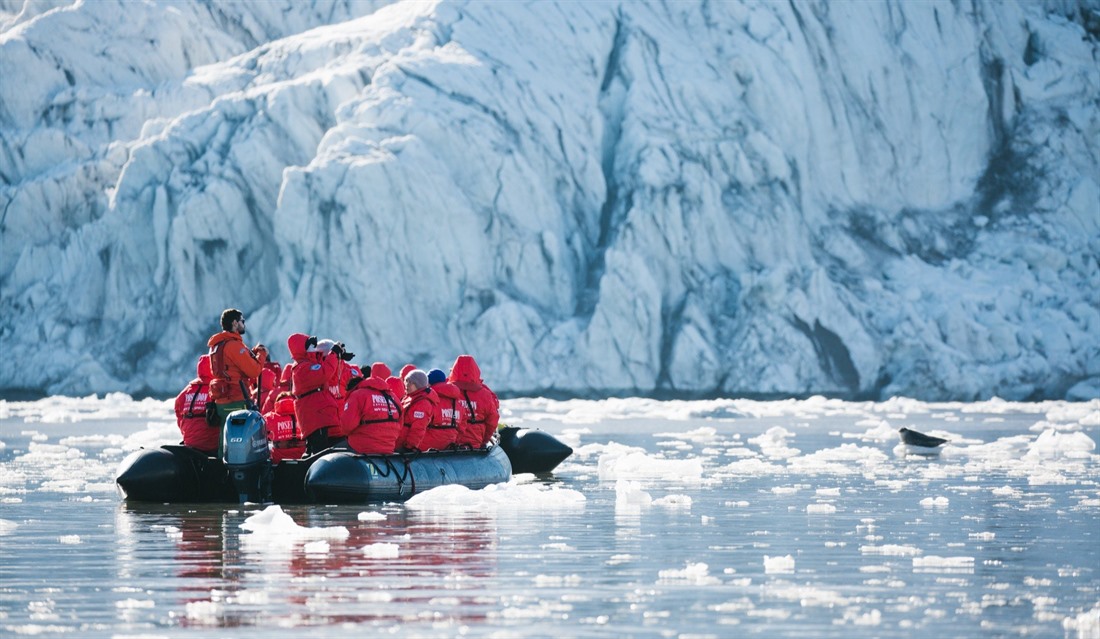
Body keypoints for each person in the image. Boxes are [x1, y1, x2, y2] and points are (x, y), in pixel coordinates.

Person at [207, 309, 266, 444]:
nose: (244, 324)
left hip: (220, 402)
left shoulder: (216, 346)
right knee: (240, 440)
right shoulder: (233, 345)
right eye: (242, 321)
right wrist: (262, 354)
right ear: (235, 323)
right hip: (237, 399)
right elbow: (254, 371)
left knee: (225, 439)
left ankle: (222, 463)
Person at [287, 332, 341, 455]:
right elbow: (324, 372)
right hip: (315, 415)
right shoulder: (302, 368)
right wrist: (333, 354)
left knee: (320, 449)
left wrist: (337, 355)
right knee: (319, 451)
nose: (312, 347)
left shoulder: (307, 365)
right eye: (308, 345)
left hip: (317, 414)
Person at [341, 362, 403, 454]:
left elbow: (346, 426)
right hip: (388, 448)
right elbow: (400, 424)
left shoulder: (357, 395)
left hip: (362, 447)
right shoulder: (393, 397)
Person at [449, 354, 500, 448]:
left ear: (454, 370)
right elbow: (492, 421)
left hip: (450, 446)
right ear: (476, 370)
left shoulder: (447, 392)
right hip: (476, 443)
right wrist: (484, 440)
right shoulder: (485, 394)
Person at [173, 354, 218, 454]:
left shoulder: (187, 390)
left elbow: (177, 410)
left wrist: (187, 429)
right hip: (211, 445)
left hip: (190, 442)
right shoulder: (217, 389)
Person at [395, 370, 437, 452]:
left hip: (404, 447)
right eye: (406, 381)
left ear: (419, 385)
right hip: (398, 443)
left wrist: (408, 447)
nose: (407, 385)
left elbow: (418, 428)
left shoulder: (422, 403)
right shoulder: (409, 398)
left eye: (411, 382)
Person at [426, 368, 465, 450]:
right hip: (449, 446)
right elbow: (462, 427)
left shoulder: (428, 399)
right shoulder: (457, 401)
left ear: (429, 383)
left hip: (426, 448)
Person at [262, 391, 306, 462]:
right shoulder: (305, 415)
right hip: (303, 459)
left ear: (277, 404)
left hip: (278, 462)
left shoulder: (269, 418)